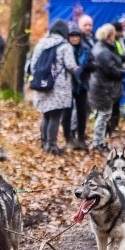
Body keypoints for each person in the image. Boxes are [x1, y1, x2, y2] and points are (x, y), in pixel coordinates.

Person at [28, 20, 78, 155]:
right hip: (59, 88)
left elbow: (32, 66)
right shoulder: (65, 46)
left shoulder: (41, 43)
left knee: (46, 115)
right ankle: (51, 146)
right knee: (55, 117)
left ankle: (44, 143)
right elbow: (70, 65)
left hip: (42, 85)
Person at [88, 23, 125, 154]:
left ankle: (99, 141)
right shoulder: (103, 51)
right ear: (110, 35)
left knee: (103, 115)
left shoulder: (100, 47)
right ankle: (98, 142)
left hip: (100, 85)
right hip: (102, 87)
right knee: (104, 115)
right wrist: (122, 71)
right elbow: (111, 70)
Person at [64, 23, 93, 151]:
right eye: (72, 36)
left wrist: (87, 68)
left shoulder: (86, 49)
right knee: (67, 113)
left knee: (82, 112)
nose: (75, 38)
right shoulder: (65, 49)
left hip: (82, 85)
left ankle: (81, 137)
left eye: (77, 36)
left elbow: (94, 64)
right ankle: (69, 137)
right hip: (68, 85)